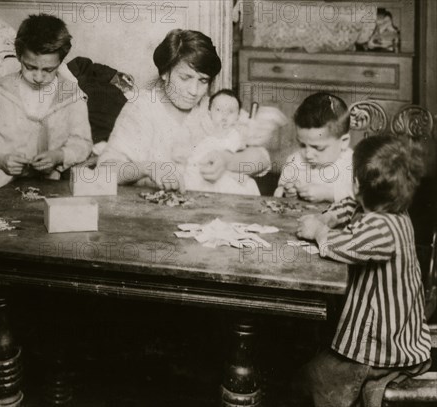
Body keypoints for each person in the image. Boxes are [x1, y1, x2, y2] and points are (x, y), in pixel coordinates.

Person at [296, 135, 432, 407]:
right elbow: (351, 205)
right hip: (387, 330)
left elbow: (343, 245)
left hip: (380, 344)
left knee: (317, 377)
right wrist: (328, 216)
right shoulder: (392, 208)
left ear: (356, 183)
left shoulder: (381, 229)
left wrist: (319, 230)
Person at [97, 29, 271, 193]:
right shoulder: (143, 108)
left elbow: (262, 159)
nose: (194, 90)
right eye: (185, 78)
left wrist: (228, 161)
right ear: (165, 73)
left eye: (203, 81)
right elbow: (105, 170)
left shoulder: (213, 107)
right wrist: (148, 168)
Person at [0, 14, 93, 192]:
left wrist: (59, 155)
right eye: (30, 67)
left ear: (60, 61)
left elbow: (82, 143)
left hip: (44, 188)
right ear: (18, 55)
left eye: (49, 70)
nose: (38, 77)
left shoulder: (72, 97)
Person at [274, 93, 354, 203]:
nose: (308, 155)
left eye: (318, 148)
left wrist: (329, 194)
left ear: (344, 142)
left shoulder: (354, 164)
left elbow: (364, 197)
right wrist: (287, 193)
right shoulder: (295, 161)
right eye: (302, 145)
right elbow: (279, 192)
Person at [184, 89, 259, 195]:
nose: (224, 116)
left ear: (238, 116)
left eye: (231, 112)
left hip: (232, 181)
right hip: (207, 178)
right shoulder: (204, 135)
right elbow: (195, 160)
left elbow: (244, 161)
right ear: (209, 113)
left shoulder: (237, 137)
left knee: (248, 186)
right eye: (218, 110)